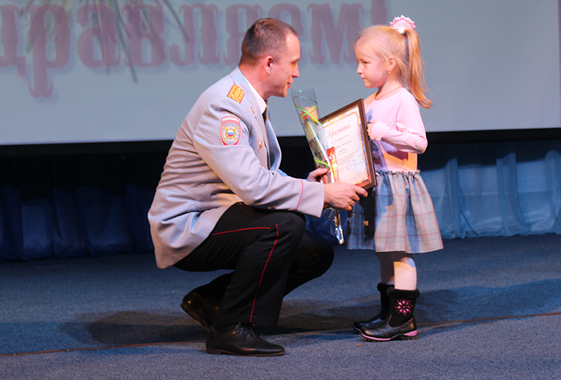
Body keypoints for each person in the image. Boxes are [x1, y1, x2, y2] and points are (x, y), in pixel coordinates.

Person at [148, 18, 367, 357]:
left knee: (314, 252)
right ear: (269, 63)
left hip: (219, 213)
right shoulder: (224, 105)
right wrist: (322, 195)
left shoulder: (246, 101)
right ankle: (229, 329)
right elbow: (252, 187)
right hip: (188, 225)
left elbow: (258, 175)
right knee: (284, 226)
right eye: (293, 63)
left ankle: (214, 302)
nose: (296, 73)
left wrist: (308, 185)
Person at [347, 16, 443, 341]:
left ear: (389, 63)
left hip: (397, 185)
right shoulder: (370, 101)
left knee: (400, 252)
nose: (359, 69)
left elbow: (420, 141)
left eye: (364, 62)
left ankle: (402, 319)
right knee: (384, 251)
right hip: (378, 184)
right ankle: (389, 313)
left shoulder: (402, 98)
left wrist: (385, 132)